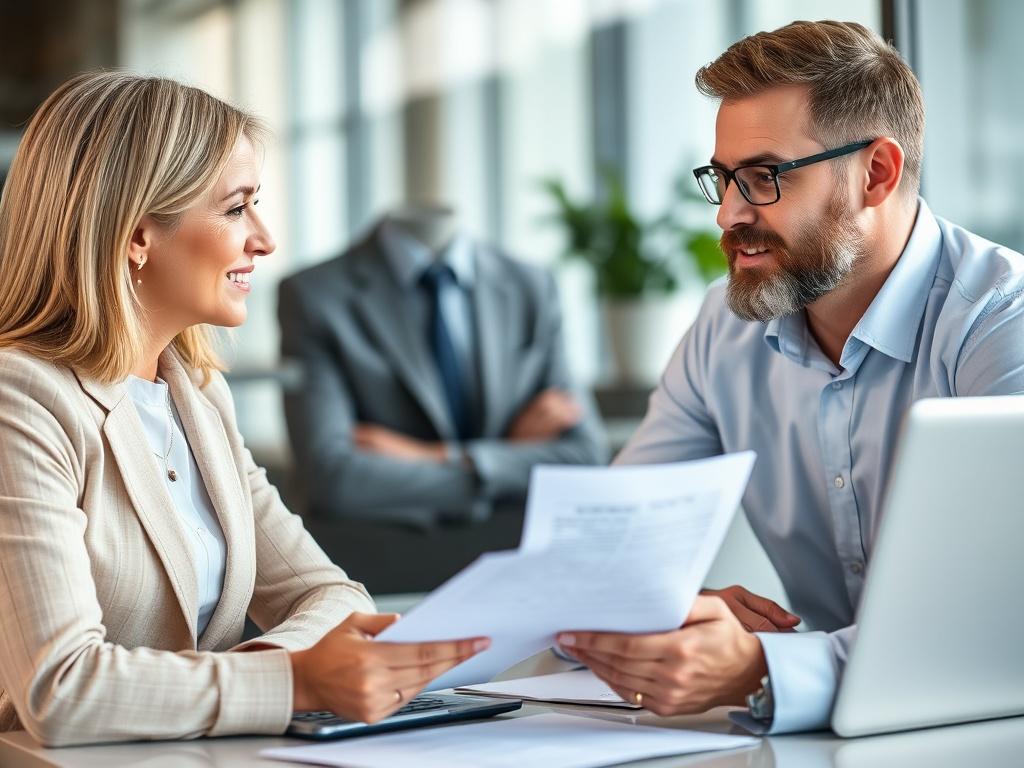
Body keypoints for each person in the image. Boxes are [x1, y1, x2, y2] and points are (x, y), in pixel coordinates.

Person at [556, 20, 1024, 733]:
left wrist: (759, 668)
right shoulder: (725, 328)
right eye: (723, 177)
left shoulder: (1000, 322)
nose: (728, 214)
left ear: (877, 174)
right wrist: (684, 612)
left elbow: (1002, 624)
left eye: (765, 178)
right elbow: (601, 548)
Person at [0, 72, 488, 747]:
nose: (264, 240)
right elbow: (61, 689)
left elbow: (333, 596)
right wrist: (300, 681)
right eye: (236, 209)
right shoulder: (20, 401)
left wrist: (269, 668)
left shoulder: (196, 396)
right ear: (138, 235)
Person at [277, 204, 607, 590]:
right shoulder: (315, 294)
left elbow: (585, 456)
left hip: (523, 563)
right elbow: (333, 479)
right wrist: (506, 456)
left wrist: (435, 456)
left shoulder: (530, 284)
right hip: (382, 570)